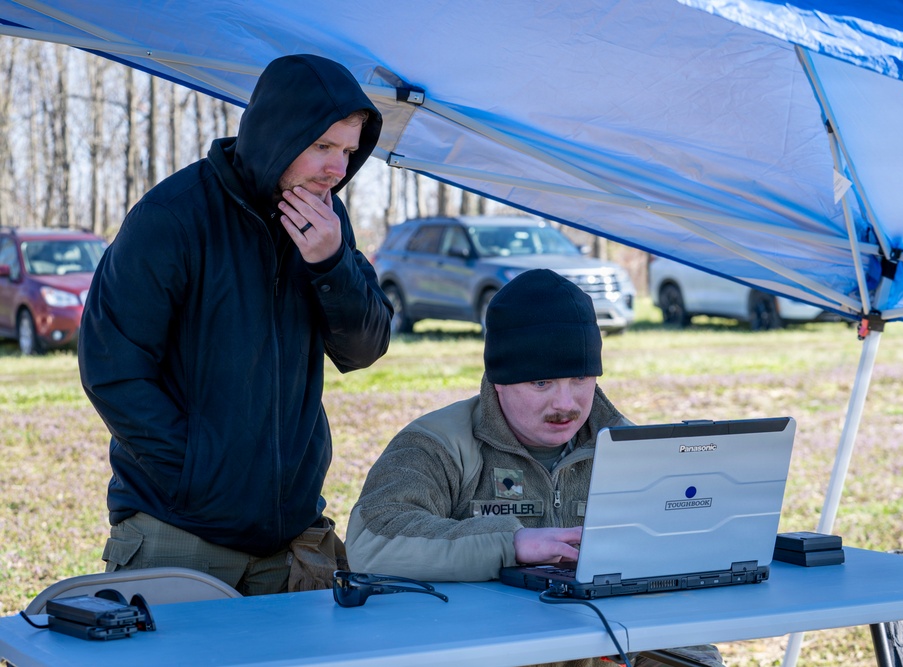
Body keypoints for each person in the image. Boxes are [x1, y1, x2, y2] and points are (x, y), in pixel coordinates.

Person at [78, 54, 393, 596]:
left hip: (289, 534)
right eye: (322, 146)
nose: (338, 169)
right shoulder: (172, 217)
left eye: (347, 151)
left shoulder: (326, 220)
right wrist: (200, 471)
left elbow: (365, 347)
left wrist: (330, 262)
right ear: (275, 134)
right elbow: (112, 370)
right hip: (178, 530)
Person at [346, 268, 724, 667]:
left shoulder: (627, 447)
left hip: (616, 646)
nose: (566, 403)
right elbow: (373, 538)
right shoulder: (437, 443)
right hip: (490, 650)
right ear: (500, 379)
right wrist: (511, 544)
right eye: (542, 383)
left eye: (580, 378)